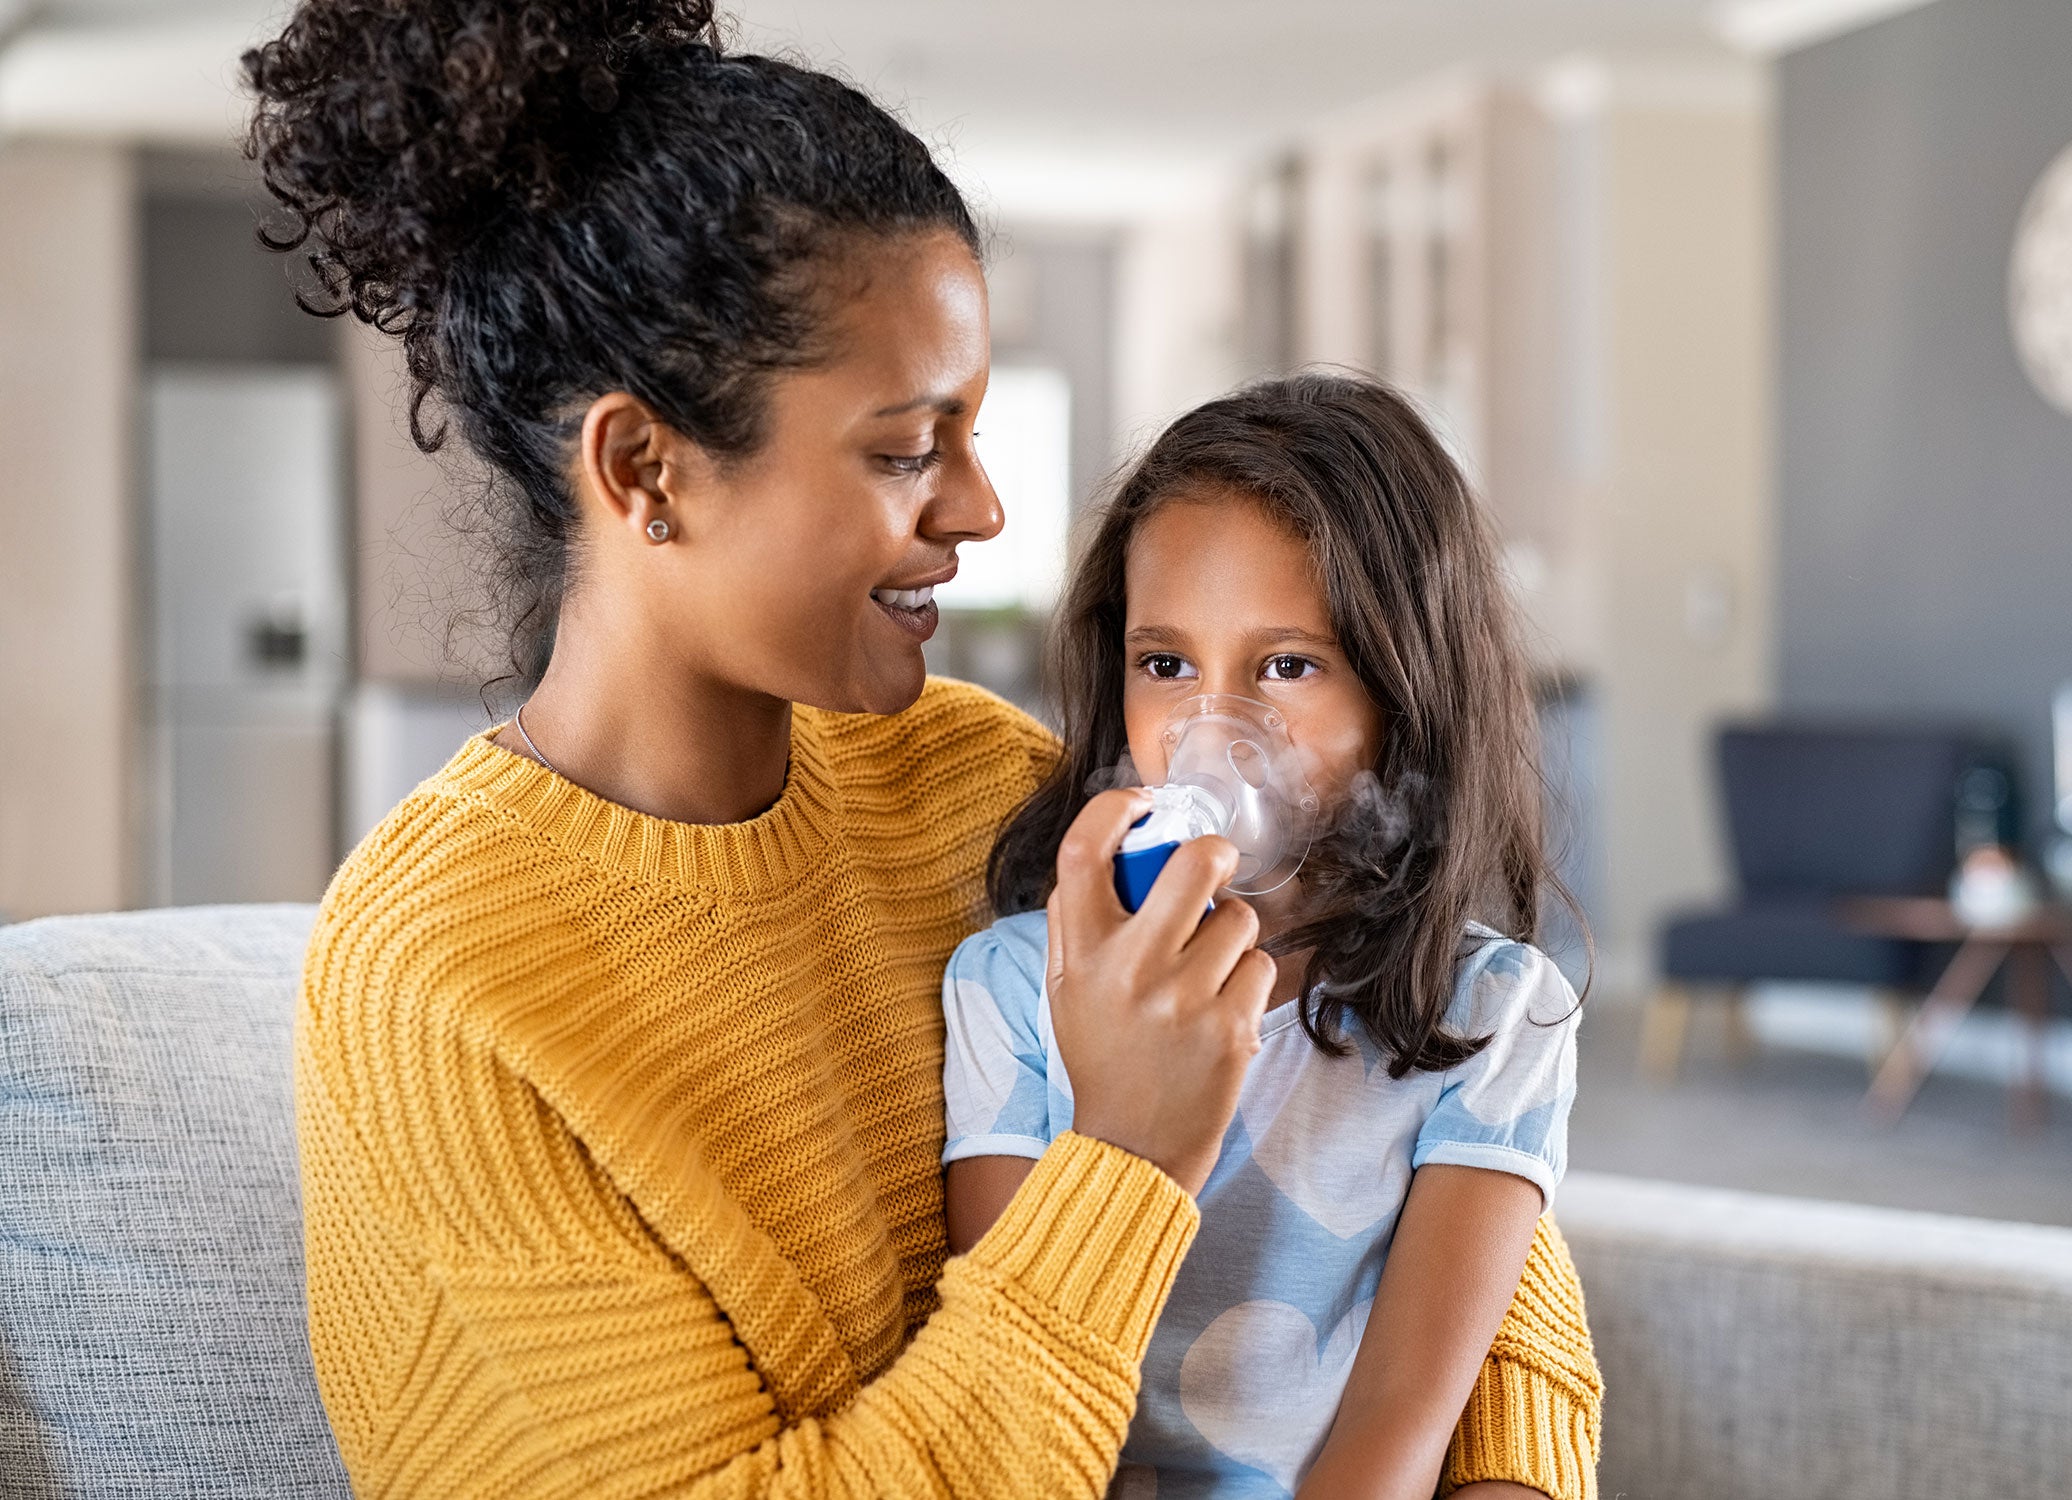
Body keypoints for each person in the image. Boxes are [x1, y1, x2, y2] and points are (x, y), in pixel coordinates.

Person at [245, 0, 1601, 1493]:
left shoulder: (968, 782)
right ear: (646, 469)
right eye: (907, 448)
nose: (981, 511)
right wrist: (1127, 1166)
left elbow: (1405, 1124)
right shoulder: (438, 976)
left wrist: (1503, 1471)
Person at [944, 373, 1596, 1500]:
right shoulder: (1014, 986)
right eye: (1166, 664)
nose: (1211, 727)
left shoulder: (1493, 1016)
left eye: (1288, 666)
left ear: (1405, 691)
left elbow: (1401, 1422)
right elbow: (1016, 1386)